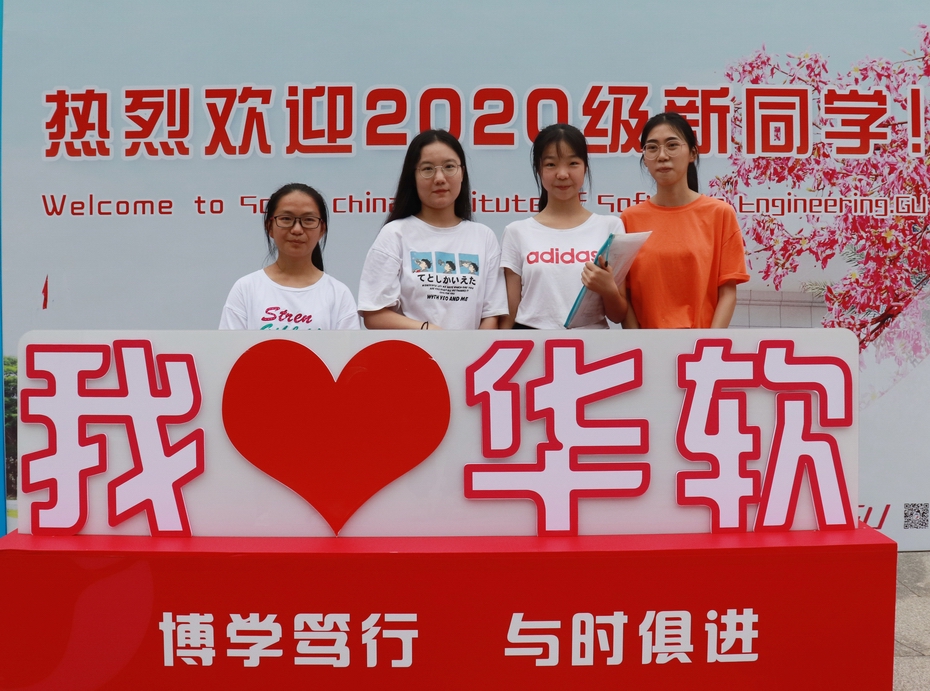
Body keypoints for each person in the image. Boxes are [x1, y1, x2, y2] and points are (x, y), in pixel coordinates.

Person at [358, 129, 507, 330]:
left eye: (449, 167)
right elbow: (374, 314)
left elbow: (492, 315)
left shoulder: (483, 237)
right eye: (427, 169)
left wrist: (471, 348)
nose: (439, 178)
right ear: (413, 177)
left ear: (462, 173)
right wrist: (429, 332)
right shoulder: (395, 234)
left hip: (471, 351)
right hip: (412, 349)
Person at [621, 112, 749, 328]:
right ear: (645, 158)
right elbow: (625, 296)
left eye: (672, 145)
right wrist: (638, 342)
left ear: (692, 153)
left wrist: (709, 343)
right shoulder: (629, 220)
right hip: (647, 345)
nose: (662, 156)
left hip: (702, 344)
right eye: (652, 148)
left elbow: (727, 294)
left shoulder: (720, 214)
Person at [500, 123, 627, 329]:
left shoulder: (610, 227)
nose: (562, 174)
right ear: (539, 170)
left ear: (585, 168)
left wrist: (608, 289)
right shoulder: (516, 232)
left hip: (592, 345)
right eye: (551, 164)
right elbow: (510, 314)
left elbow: (618, 315)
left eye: (573, 163)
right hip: (532, 343)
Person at [219, 183, 359, 330]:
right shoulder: (246, 289)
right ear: (269, 226)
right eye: (286, 218)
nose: (297, 229)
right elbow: (229, 344)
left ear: (322, 229)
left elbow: (349, 345)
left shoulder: (338, 294)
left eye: (308, 220)